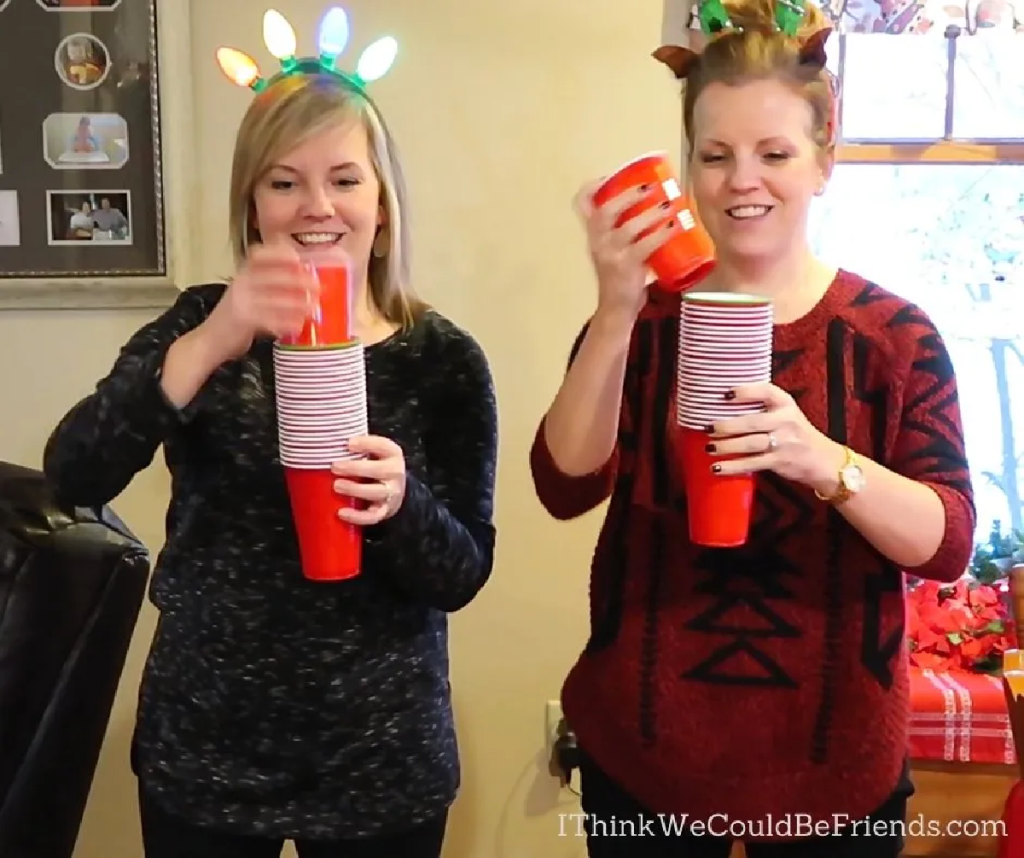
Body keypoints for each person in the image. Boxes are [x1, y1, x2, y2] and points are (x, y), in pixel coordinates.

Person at [529, 0, 975, 855]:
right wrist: (618, 307)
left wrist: (823, 458)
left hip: (836, 772)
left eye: (774, 154)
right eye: (716, 156)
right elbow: (564, 484)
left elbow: (947, 541)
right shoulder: (642, 321)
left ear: (823, 163)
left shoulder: (896, 337)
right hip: (645, 761)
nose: (743, 182)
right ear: (688, 167)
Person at [42, 22, 498, 858]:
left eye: (344, 179)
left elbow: (465, 571)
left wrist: (401, 506)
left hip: (382, 760)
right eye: (284, 182)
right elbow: (74, 473)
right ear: (253, 208)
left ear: (383, 207)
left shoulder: (442, 359)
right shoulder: (200, 327)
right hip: (206, 753)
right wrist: (214, 341)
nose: (316, 206)